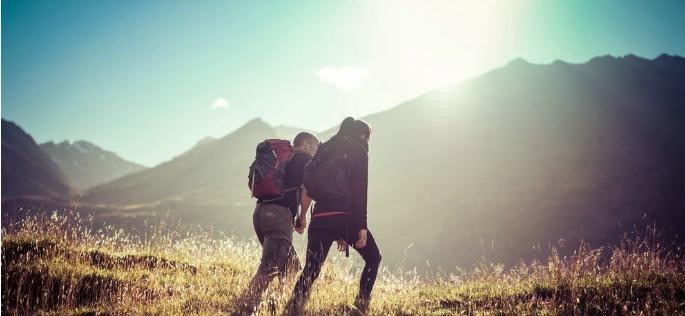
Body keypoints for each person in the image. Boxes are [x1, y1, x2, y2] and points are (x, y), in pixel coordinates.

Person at [285, 117, 381, 315]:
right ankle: (360, 306)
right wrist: (360, 225)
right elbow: (359, 189)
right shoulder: (358, 149)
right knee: (373, 258)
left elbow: (313, 186)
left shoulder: (326, 148)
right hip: (345, 216)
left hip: (319, 217)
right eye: (367, 138)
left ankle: (292, 308)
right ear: (362, 135)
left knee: (311, 268)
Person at [234, 132, 320, 316]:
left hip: (261, 212)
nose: (316, 152)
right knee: (268, 269)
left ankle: (277, 306)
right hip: (278, 216)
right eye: (315, 147)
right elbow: (308, 191)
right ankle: (242, 310)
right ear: (305, 145)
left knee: (291, 267)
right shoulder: (304, 159)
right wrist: (302, 218)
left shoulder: (283, 158)